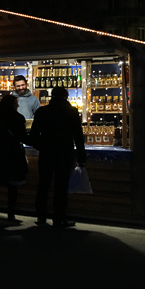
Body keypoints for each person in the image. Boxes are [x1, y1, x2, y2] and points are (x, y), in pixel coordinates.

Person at [29, 86, 87, 227]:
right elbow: (78, 136)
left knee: (43, 184)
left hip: (47, 153)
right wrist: (81, 154)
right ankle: (59, 217)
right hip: (64, 153)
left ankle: (41, 215)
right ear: (66, 96)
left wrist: (41, 146)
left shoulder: (42, 111)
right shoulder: (71, 112)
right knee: (61, 186)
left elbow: (33, 135)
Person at [0, 94, 30, 221]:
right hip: (13, 154)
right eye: (16, 103)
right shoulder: (18, 118)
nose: (18, 105)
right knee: (12, 186)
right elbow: (23, 137)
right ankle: (11, 212)